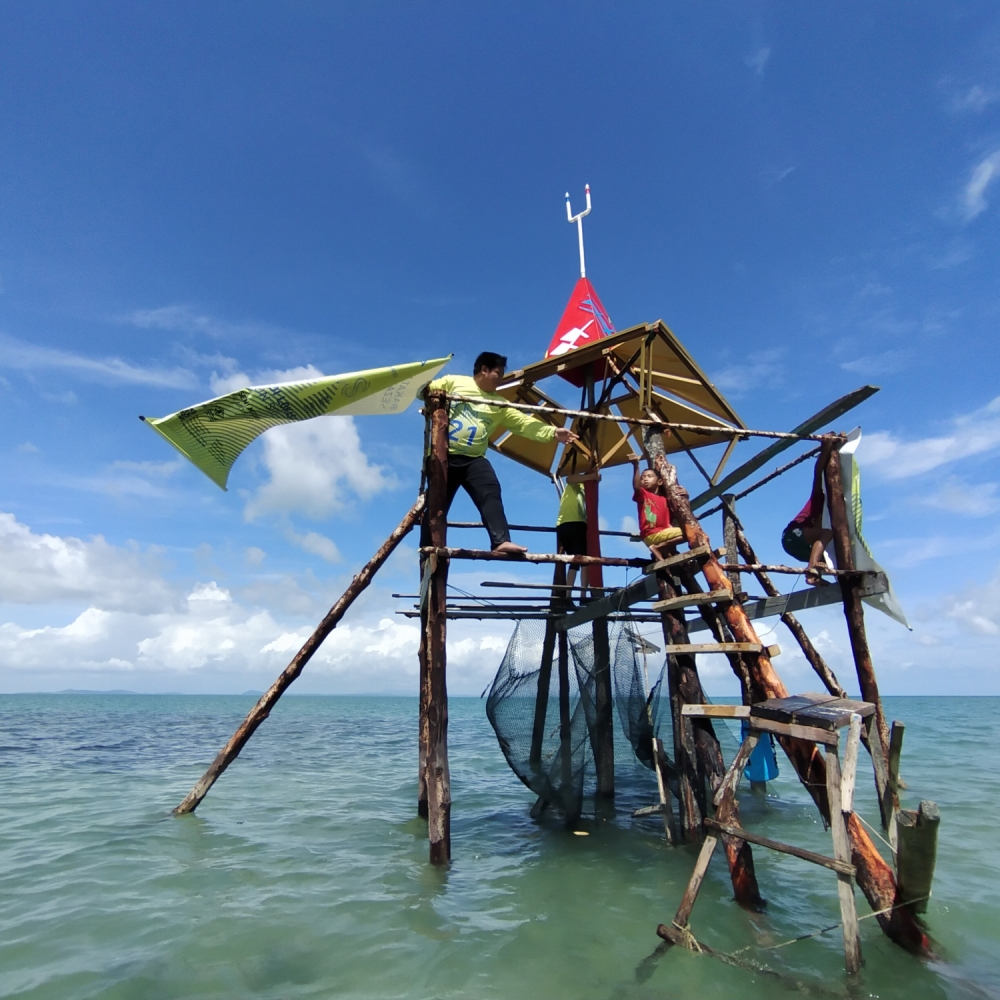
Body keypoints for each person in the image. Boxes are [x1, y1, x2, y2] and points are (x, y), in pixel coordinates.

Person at [422, 352, 579, 554]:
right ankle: (427, 549)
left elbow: (523, 423)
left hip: (474, 459)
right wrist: (423, 387)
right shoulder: (454, 382)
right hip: (444, 456)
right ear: (484, 370)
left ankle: (500, 541)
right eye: (498, 373)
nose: (501, 378)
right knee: (437, 504)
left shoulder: (499, 404)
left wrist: (553, 432)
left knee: (491, 491)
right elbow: (425, 392)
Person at [781, 440, 836, 585]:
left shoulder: (834, 511)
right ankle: (811, 572)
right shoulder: (819, 497)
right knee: (827, 533)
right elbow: (818, 473)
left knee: (829, 559)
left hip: (801, 549)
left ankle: (816, 577)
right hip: (792, 535)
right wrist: (826, 448)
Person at [628, 453, 683, 561]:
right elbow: (637, 487)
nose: (645, 479)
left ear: (660, 482)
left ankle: (661, 549)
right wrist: (636, 466)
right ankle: (657, 547)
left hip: (662, 533)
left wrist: (685, 494)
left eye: (649, 476)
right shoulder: (643, 494)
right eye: (642, 477)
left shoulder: (664, 499)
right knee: (688, 532)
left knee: (688, 533)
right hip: (651, 534)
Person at [556, 475, 588, 593]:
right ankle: (583, 595)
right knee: (585, 559)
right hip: (575, 522)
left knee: (575, 560)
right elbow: (569, 479)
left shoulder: (580, 487)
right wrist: (593, 476)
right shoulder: (577, 483)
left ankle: (568, 595)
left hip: (563, 524)